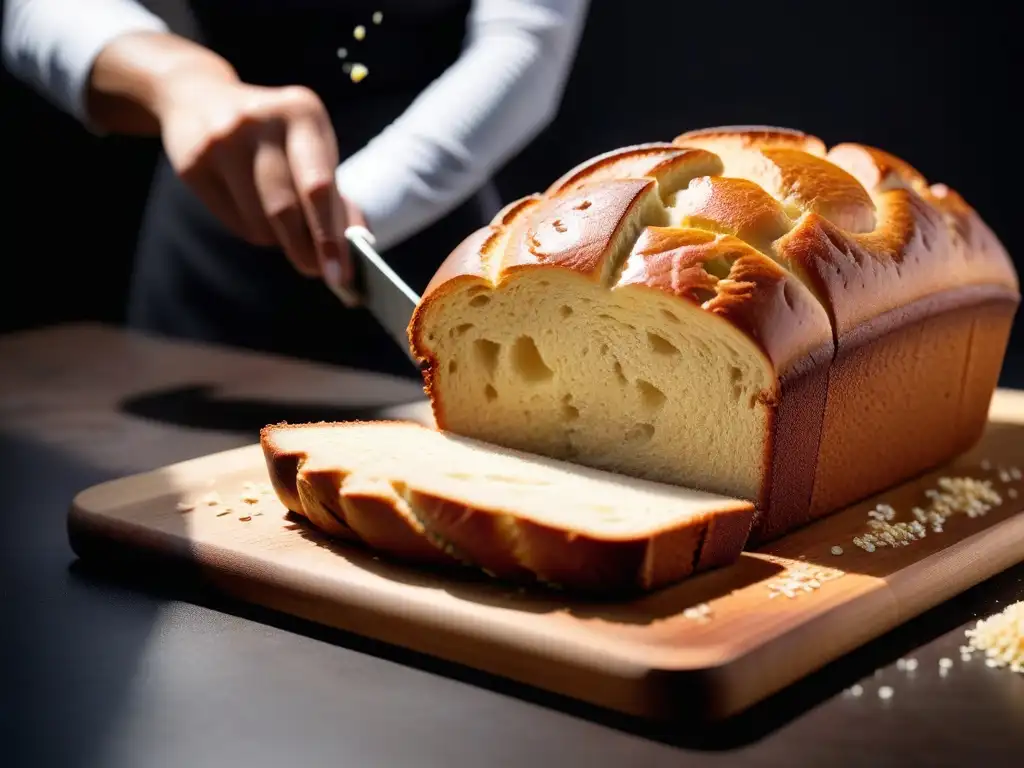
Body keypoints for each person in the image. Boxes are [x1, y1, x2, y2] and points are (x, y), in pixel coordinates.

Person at [2, 0, 588, 377]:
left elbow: (526, 41)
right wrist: (179, 82)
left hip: (422, 254)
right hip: (212, 231)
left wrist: (351, 204)